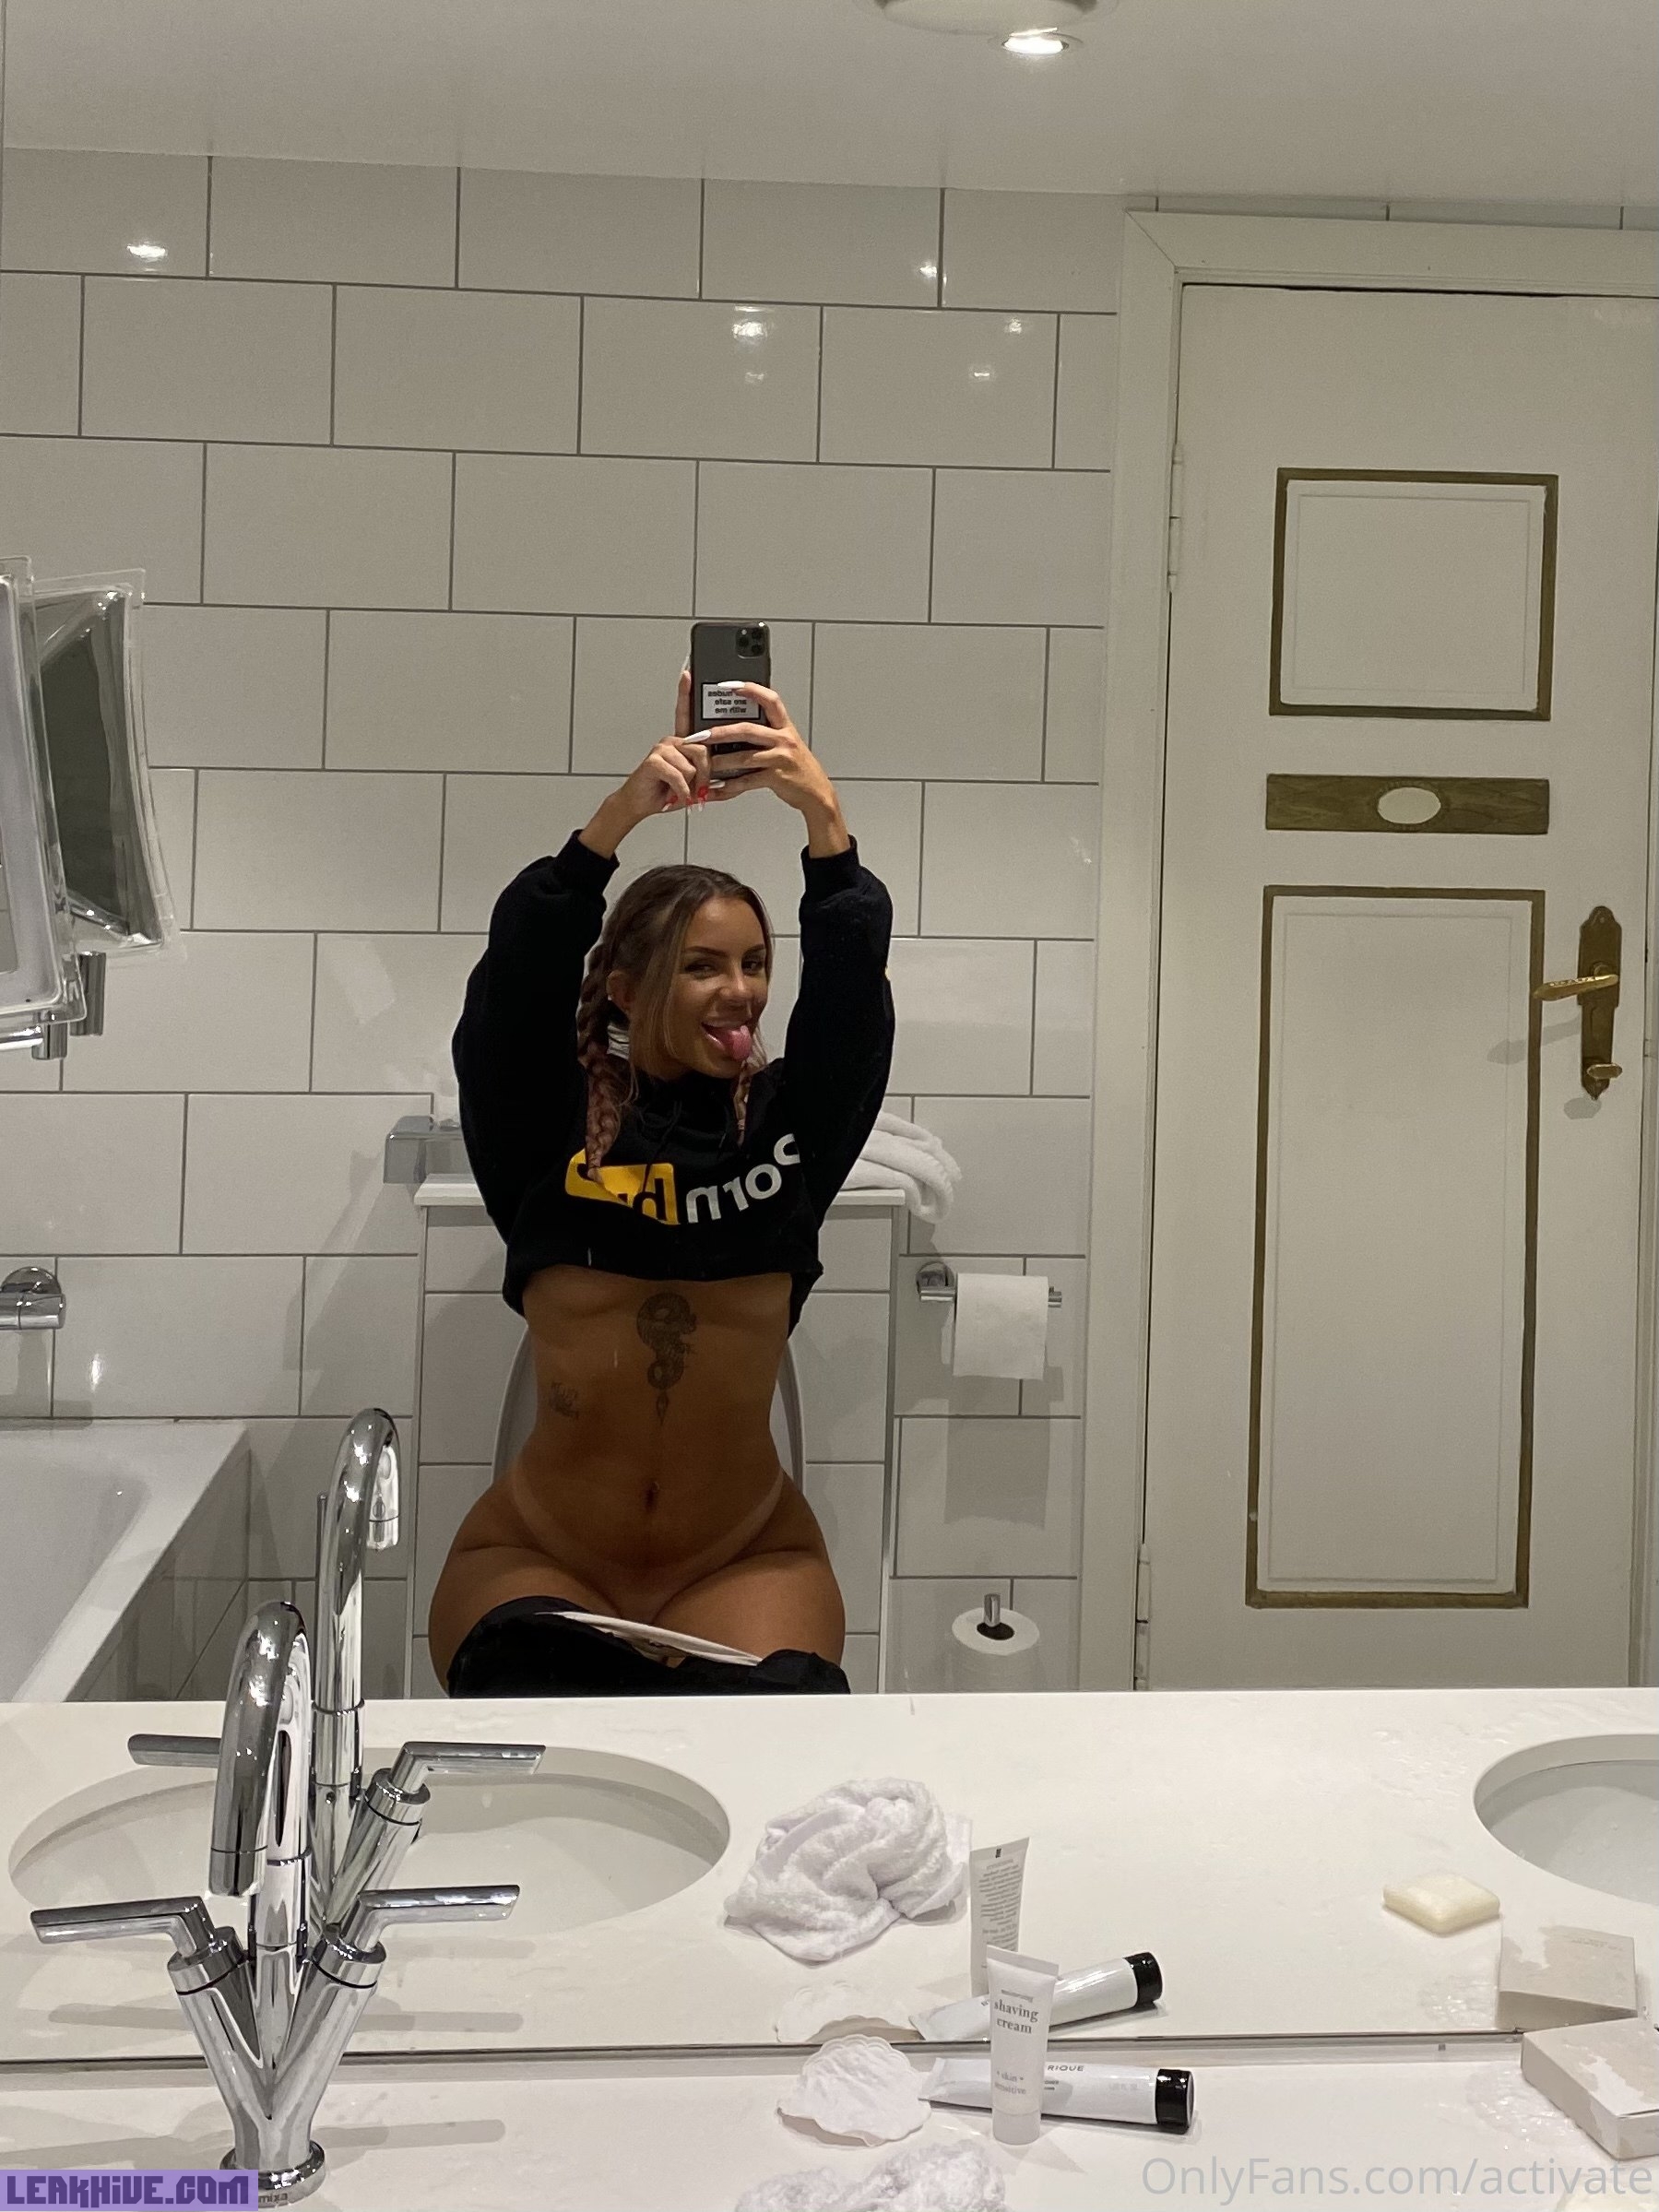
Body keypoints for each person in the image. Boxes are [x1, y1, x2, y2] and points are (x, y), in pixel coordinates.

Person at [428, 671, 895, 1697]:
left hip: (743, 1555)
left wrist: (822, 821)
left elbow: (852, 1011)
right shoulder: (546, 1127)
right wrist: (614, 822)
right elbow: (513, 987)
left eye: (755, 962)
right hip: (543, 1551)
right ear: (628, 988)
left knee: (775, 1724)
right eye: (702, 966)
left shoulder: (788, 1133)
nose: (741, 990)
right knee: (528, 1705)